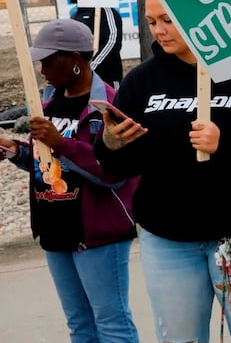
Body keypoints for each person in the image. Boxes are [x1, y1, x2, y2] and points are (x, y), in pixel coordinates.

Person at [93, 0, 231, 343]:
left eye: (168, 20)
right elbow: (116, 166)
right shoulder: (141, 81)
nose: (159, 31)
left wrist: (222, 145)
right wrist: (112, 141)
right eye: (152, 22)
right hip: (167, 239)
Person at [1, 19, 139, 343]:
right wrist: (17, 151)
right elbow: (49, 162)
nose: (43, 69)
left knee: (112, 324)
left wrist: (61, 143)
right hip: (55, 229)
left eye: (49, 61)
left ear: (75, 60)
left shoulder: (108, 106)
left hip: (97, 234)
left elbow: (114, 173)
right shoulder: (48, 102)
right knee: (79, 325)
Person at [67, 0, 124, 88]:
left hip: (107, 79)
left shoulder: (105, 11)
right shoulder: (74, 16)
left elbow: (112, 42)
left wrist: (90, 68)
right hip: (81, 82)